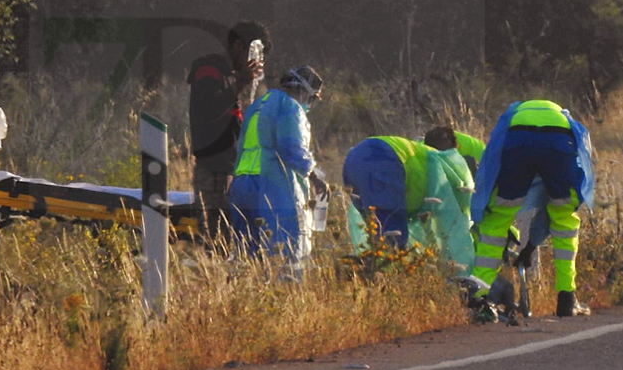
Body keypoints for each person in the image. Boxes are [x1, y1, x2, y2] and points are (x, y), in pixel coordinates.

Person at [469, 99, 595, 317]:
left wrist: (483, 206)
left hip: (518, 141)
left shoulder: (512, 114)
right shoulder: (565, 117)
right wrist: (531, 245)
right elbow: (582, 161)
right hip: (559, 141)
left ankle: (480, 295)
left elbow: (491, 160)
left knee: (498, 219)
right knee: (564, 220)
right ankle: (567, 298)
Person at [228, 65, 328, 259]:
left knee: (247, 255)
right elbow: (290, 149)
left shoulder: (258, 104)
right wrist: (314, 177)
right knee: (284, 252)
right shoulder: (290, 106)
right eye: (312, 98)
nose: (309, 104)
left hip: (241, 185)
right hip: (270, 186)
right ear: (301, 90)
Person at [343, 128, 475, 268]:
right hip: (385, 162)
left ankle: (356, 274)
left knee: (375, 234)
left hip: (354, 158)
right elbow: (456, 226)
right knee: (391, 243)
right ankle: (386, 281)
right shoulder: (450, 172)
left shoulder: (422, 152)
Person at [188, 21, 271, 243]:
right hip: (213, 169)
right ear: (237, 46)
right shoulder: (209, 68)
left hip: (232, 169)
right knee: (213, 239)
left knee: (233, 238)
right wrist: (241, 82)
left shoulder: (232, 75)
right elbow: (208, 107)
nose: (254, 63)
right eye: (253, 54)